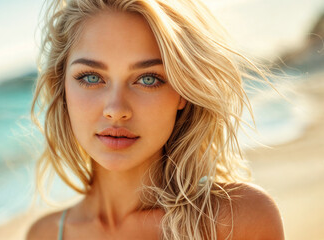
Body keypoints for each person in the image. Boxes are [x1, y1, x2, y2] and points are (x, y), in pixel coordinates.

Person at [27, 0, 285, 239]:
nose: (116, 110)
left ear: (183, 91)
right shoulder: (44, 235)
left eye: (148, 79)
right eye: (91, 77)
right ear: (61, 86)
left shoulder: (237, 220)